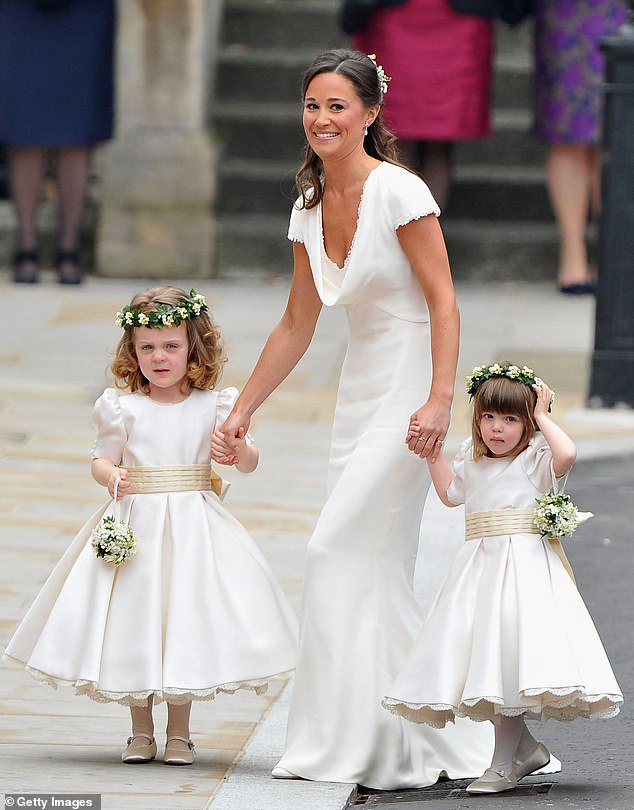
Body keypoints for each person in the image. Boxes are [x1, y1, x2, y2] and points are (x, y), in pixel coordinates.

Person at [217, 48, 495, 789]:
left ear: (370, 114)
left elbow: (443, 300)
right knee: (367, 567)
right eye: (312, 105)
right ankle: (391, 734)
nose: (322, 119)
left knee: (333, 550)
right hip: (358, 395)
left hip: (409, 393)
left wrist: (441, 399)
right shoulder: (307, 207)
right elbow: (296, 324)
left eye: (338, 106)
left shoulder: (400, 191)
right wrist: (242, 410)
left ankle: (418, 728)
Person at [4, 286, 298, 766]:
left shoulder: (216, 405)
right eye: (147, 347)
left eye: (171, 346)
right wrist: (112, 475)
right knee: (135, 620)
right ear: (132, 351)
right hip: (136, 524)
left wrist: (238, 450)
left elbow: (249, 461)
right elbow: (100, 459)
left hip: (193, 529)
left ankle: (179, 734)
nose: (159, 357)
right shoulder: (122, 407)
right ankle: (140, 732)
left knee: (182, 620)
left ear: (193, 347)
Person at [384, 364, 623, 794]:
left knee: (507, 658)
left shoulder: (535, 459)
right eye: (489, 417)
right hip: (478, 572)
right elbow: (449, 494)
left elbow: (567, 454)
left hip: (522, 575)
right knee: (490, 664)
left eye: (511, 419)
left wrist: (544, 414)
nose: (497, 428)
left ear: (527, 423)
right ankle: (525, 750)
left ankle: (501, 765)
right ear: (477, 419)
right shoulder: (471, 460)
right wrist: (431, 452)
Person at [0, 0, 116, 284]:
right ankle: (25, 244)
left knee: (77, 126)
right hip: (20, 11)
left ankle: (69, 247)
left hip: (85, 13)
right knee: (23, 123)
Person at [351, 0, 494, 208]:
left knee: (436, 139)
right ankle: (398, 232)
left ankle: (421, 235)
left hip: (457, 19)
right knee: (395, 136)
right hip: (394, 18)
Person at [533, 0, 627, 294]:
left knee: (618, 129)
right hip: (566, 13)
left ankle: (612, 253)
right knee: (567, 128)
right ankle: (573, 253)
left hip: (620, 11)